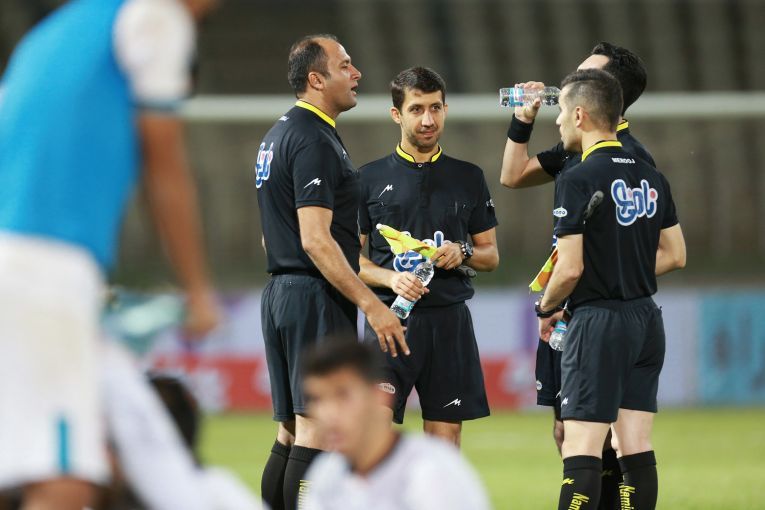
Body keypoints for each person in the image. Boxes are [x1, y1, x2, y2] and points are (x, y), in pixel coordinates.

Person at [0, 0, 221, 508]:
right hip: (45, 267)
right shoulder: (155, 17)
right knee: (62, 479)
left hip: (24, 262)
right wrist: (197, 289)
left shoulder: (50, 35)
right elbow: (164, 165)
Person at [499, 42, 656, 508]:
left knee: (603, 439)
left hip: (590, 310)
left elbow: (646, 252)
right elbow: (512, 175)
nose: (570, 77)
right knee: (570, 432)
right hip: (574, 307)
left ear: (607, 91)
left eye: (585, 73)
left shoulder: (631, 159)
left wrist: (582, 281)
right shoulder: (576, 148)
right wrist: (522, 120)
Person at [255, 34, 406, 510]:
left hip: (281, 293)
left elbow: (271, 235)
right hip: (313, 296)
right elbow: (315, 239)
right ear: (316, 80)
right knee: (317, 429)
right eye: (345, 65)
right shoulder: (313, 139)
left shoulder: (278, 134)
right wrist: (371, 304)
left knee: (290, 431)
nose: (356, 73)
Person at [536, 68, 685, 510]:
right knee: (634, 446)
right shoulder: (651, 176)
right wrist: (625, 270)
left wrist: (546, 306)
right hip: (646, 321)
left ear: (579, 115)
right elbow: (675, 254)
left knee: (580, 447)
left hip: (597, 322)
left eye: (562, 111)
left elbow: (569, 269)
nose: (558, 120)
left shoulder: (577, 178)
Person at [357, 67, 499, 446]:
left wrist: (463, 251)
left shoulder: (468, 177)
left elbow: (490, 256)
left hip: (449, 323)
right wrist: (390, 278)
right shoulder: (367, 179)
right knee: (372, 433)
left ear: (446, 109)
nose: (428, 120)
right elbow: (351, 260)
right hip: (389, 320)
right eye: (417, 109)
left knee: (444, 443)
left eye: (435, 108)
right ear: (396, 114)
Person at [301, 339, 492, 510]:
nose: (328, 414)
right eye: (316, 399)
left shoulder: (430, 473)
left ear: (379, 396)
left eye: (343, 396)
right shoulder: (326, 474)